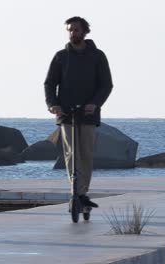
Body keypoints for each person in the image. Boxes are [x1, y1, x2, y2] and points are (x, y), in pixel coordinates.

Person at [44, 16, 113, 208]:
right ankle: (77, 192)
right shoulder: (61, 56)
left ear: (84, 31)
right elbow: (50, 83)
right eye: (70, 30)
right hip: (65, 113)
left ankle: (82, 191)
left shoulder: (97, 56)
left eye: (76, 30)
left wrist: (95, 104)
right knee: (70, 154)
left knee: (85, 153)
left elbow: (106, 85)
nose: (73, 33)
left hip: (89, 114)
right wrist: (52, 104)